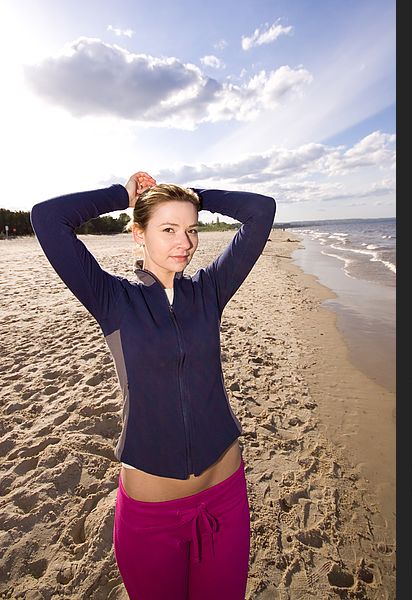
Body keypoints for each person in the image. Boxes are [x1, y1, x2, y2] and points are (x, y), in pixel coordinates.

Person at [30, 171, 276, 600]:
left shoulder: (209, 290)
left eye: (191, 229)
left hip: (225, 498)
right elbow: (48, 218)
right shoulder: (111, 298)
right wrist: (122, 194)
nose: (185, 242)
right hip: (151, 515)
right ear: (138, 234)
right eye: (168, 229)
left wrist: (198, 195)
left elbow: (261, 211)